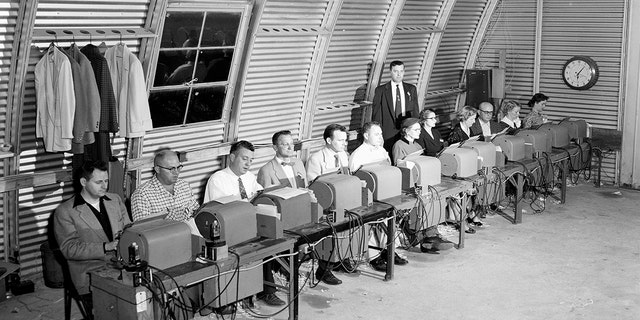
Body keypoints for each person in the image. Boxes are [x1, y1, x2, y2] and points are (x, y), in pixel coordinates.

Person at [203, 141, 284, 309]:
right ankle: (238, 294)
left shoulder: (249, 177)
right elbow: (223, 210)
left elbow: (260, 193)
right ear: (232, 157)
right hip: (225, 229)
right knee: (249, 245)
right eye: (244, 159)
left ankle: (266, 290)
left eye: (251, 160)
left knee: (268, 241)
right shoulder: (218, 179)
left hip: (247, 224)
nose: (248, 164)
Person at [54, 160, 131, 314]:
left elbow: (129, 229)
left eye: (106, 181)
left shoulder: (114, 200)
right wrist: (105, 247)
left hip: (122, 264)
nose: (105, 186)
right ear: (83, 182)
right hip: (90, 270)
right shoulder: (65, 211)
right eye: (98, 182)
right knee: (113, 312)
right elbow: (69, 249)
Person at [349, 122, 409, 272]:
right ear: (366, 135)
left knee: (389, 219)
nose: (380, 137)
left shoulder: (382, 150)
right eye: (376, 134)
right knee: (372, 220)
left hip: (385, 193)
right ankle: (374, 256)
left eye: (381, 134)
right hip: (367, 198)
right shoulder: (358, 154)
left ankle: (388, 250)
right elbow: (355, 180)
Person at [392, 118, 455, 253]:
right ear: (405, 131)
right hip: (407, 184)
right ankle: (424, 237)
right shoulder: (399, 145)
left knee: (435, 196)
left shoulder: (418, 146)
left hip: (420, 182)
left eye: (419, 129)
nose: (419, 132)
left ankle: (431, 234)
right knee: (424, 199)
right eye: (415, 130)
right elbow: (400, 168)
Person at [305, 124, 355, 285]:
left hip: (343, 197)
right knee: (331, 231)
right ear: (328, 140)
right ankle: (324, 269)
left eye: (345, 140)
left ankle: (342, 259)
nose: (344, 143)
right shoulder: (316, 158)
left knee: (352, 224)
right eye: (340, 140)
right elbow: (314, 187)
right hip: (325, 204)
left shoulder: (343, 155)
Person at [131, 149, 199, 222]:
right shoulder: (142, 195)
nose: (176, 172)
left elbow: (196, 213)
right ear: (158, 169)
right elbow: (142, 229)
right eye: (171, 169)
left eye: (178, 167)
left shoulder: (184, 185)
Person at [372, 60, 420, 153]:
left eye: (401, 71)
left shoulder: (411, 89)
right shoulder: (381, 90)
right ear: (390, 72)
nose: (399, 74)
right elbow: (377, 115)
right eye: (395, 71)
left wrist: (415, 130)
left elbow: (415, 111)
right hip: (388, 133)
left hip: (407, 132)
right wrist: (379, 135)